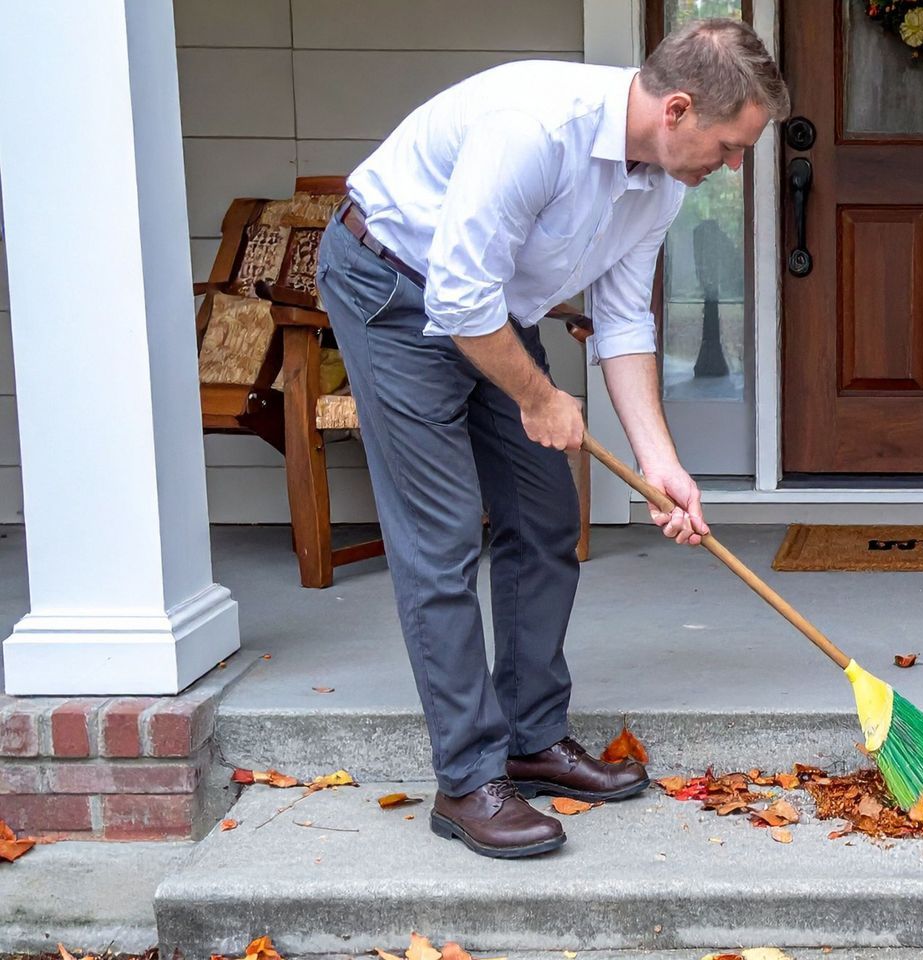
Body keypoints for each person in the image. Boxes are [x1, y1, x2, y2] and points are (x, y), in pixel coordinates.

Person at [313, 18, 788, 859]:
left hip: (489, 307)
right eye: (730, 145)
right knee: (443, 535)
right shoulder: (537, 131)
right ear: (677, 109)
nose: (733, 166)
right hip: (394, 287)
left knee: (542, 514)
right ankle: (467, 780)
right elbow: (456, 302)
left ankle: (531, 737)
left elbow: (623, 320)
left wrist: (660, 465)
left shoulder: (663, 180)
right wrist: (539, 398)